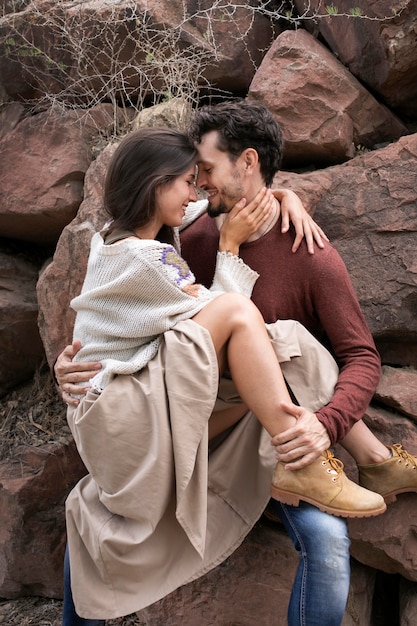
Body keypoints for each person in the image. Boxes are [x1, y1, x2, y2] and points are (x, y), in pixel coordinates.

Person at [55, 105, 417, 626]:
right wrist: (74, 362)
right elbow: (124, 313)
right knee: (90, 514)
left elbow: (361, 358)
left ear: (247, 163)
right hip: (183, 418)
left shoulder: (311, 253)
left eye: (203, 170)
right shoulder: (188, 236)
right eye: (189, 177)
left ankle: (343, 465)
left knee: (328, 538)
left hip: (266, 430)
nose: (197, 186)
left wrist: (324, 425)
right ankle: (372, 459)